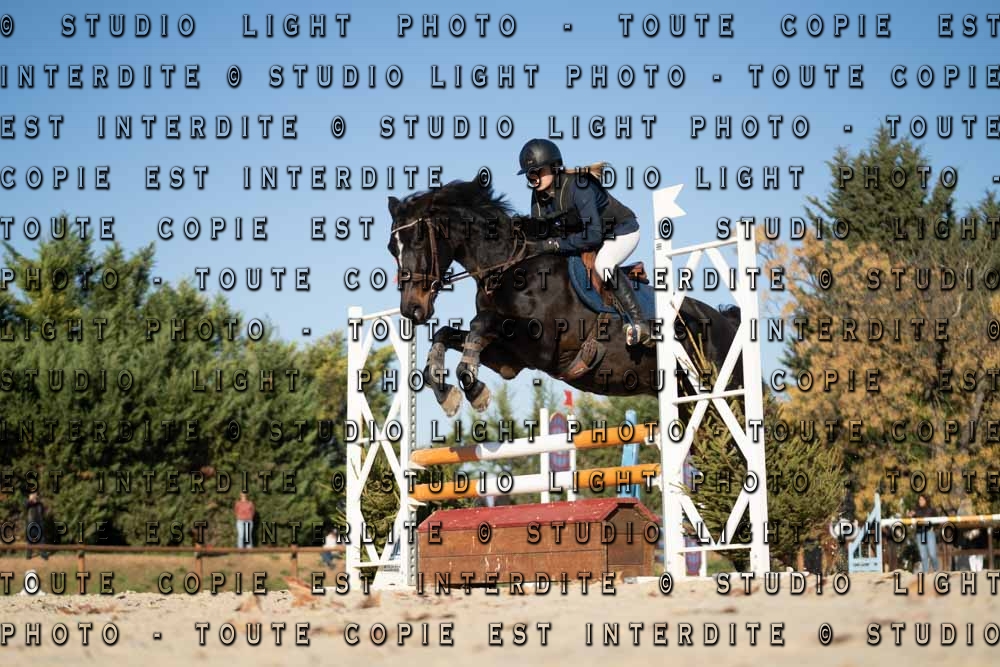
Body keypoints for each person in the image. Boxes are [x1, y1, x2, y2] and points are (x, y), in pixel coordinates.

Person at [517, 138, 651, 347]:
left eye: (538, 171)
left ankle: (639, 323)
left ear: (554, 166)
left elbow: (593, 235)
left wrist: (554, 245)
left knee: (604, 264)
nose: (533, 177)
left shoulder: (579, 186)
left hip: (621, 231)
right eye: (529, 174)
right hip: (588, 239)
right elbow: (541, 234)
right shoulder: (538, 197)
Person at [908, 494, 941, 572]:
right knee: (923, 556)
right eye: (919, 500)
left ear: (926, 500)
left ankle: (936, 570)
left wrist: (933, 528)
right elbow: (909, 523)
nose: (920, 501)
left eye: (922, 499)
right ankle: (925, 573)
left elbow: (937, 523)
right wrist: (910, 516)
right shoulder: (915, 510)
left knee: (932, 554)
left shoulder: (932, 510)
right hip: (920, 534)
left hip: (929, 533)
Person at [25, 492, 49, 560]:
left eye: (35, 494)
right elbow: (25, 505)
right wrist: (30, 500)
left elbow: (42, 512)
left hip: (39, 523)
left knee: (41, 539)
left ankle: (43, 554)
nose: (34, 495)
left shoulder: (40, 503)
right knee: (30, 539)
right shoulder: (28, 503)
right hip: (31, 523)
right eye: (33, 494)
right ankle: (28, 555)